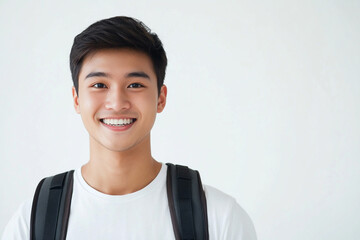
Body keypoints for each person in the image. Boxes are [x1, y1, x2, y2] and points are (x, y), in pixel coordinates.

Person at [1, 16, 257, 240]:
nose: (117, 103)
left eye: (135, 85)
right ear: (77, 99)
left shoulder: (219, 218)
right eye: (99, 85)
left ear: (161, 98)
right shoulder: (33, 220)